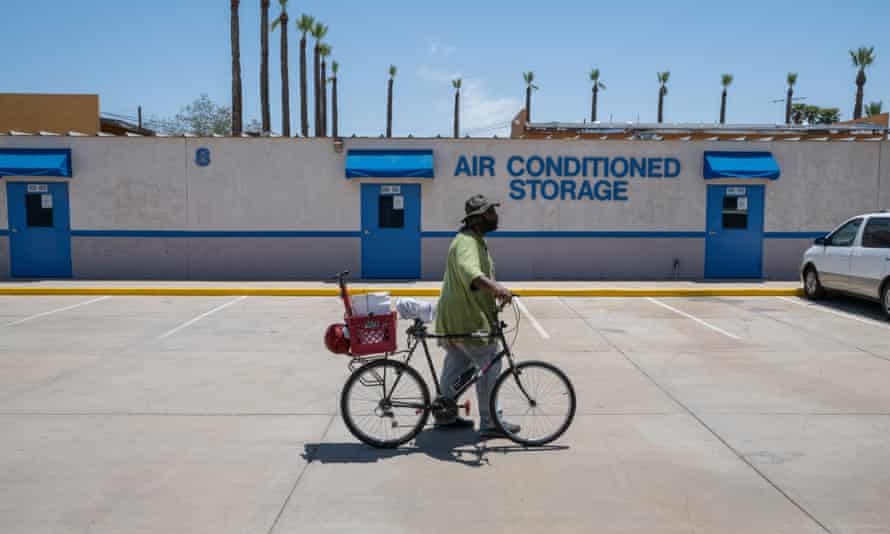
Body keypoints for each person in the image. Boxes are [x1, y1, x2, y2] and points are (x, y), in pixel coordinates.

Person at [434, 194, 520, 438]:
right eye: (491, 212)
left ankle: (444, 414)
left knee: (456, 364)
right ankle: (491, 421)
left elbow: (473, 276)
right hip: (467, 316)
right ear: (478, 219)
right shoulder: (467, 242)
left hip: (459, 313)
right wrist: (497, 288)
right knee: (489, 362)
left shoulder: (473, 240)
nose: (496, 216)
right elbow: (470, 272)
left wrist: (492, 291)